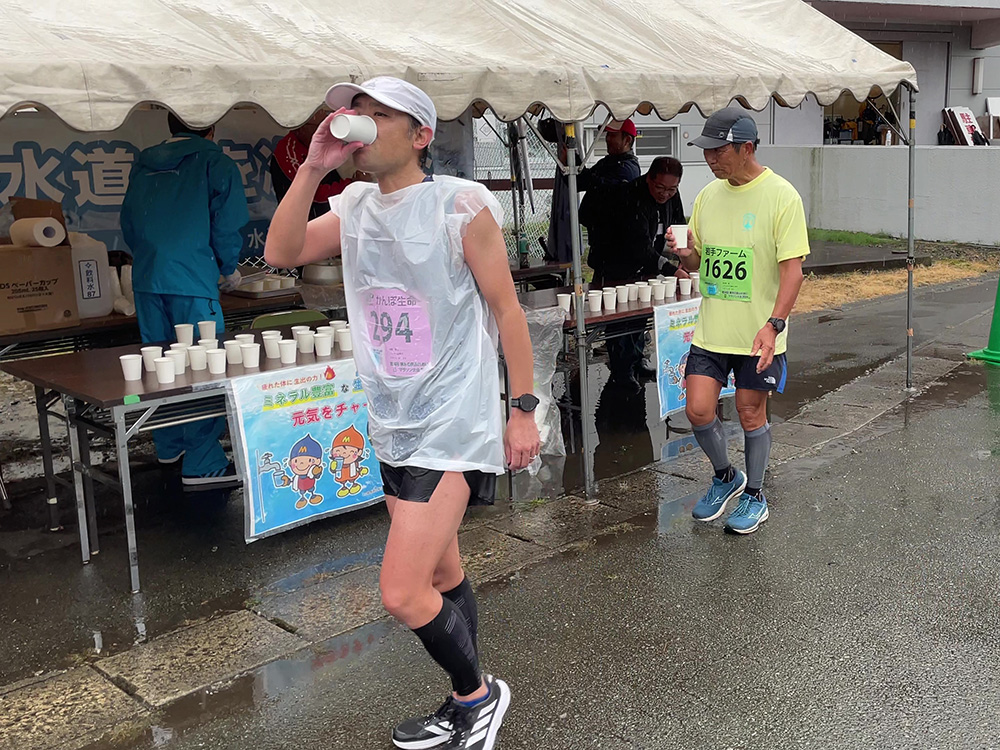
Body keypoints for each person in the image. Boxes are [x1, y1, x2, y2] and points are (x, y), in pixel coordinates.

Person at [263, 76, 540, 750]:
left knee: (401, 591)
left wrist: (523, 409)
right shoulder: (354, 204)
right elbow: (281, 253)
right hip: (393, 420)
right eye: (353, 113)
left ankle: (479, 697)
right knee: (442, 575)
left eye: (375, 115)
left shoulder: (458, 206)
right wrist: (312, 169)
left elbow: (507, 311)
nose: (357, 123)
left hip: (453, 422)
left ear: (419, 134)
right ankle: (459, 697)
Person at [669, 107, 808, 535]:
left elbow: (793, 270)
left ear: (747, 148)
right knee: (697, 410)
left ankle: (756, 495)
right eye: (706, 151)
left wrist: (774, 324)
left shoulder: (782, 196)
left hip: (758, 336)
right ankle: (727, 476)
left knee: (750, 414)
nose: (710, 159)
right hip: (712, 330)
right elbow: (699, 259)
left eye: (719, 150)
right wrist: (685, 255)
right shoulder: (708, 196)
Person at [120, 113, 249, 490]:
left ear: (170, 127)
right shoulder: (215, 162)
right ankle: (203, 462)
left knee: (161, 366)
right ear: (211, 127)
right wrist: (227, 269)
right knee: (201, 371)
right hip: (193, 279)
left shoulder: (143, 164)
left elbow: (129, 223)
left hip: (147, 279)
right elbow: (227, 223)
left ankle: (169, 444)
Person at [579, 157, 687, 390]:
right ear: (649, 178)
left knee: (639, 319)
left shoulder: (672, 196)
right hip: (617, 265)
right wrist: (671, 269)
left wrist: (683, 257)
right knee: (619, 321)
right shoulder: (630, 196)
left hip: (646, 267)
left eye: (671, 189)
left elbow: (678, 226)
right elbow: (637, 246)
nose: (665, 194)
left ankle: (637, 362)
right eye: (660, 187)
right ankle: (621, 371)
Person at [539, 118, 640, 266]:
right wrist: (569, 163)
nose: (607, 139)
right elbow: (581, 183)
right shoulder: (607, 162)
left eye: (612, 135)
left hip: (617, 245)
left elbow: (598, 184)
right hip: (601, 242)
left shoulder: (628, 168)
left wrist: (577, 164)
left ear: (627, 140)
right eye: (607, 135)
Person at [270, 109, 355, 220]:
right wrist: (351, 185)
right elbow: (314, 193)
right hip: (302, 222)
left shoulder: (324, 145)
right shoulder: (288, 151)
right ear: (301, 126)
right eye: (319, 126)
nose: (325, 132)